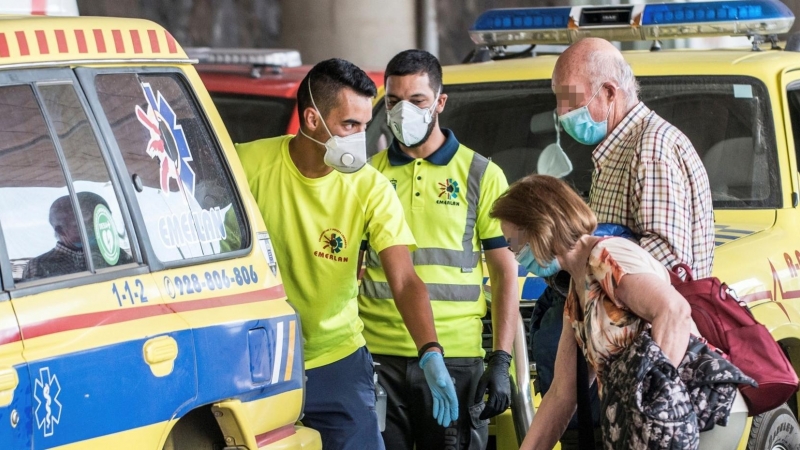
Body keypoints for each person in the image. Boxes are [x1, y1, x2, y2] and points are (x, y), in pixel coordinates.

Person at [235, 58, 458, 450]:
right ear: (311, 119)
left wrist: (430, 351)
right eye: (349, 125)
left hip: (337, 359)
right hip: (256, 362)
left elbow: (404, 280)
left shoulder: (370, 188)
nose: (359, 138)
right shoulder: (248, 165)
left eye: (365, 126)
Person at [531, 37, 717, 448]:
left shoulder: (650, 148)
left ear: (610, 92)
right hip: (619, 372)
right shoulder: (614, 151)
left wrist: (586, 265)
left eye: (569, 100)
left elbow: (666, 265)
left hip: (653, 364)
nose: (562, 115)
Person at [491, 175, 752, 450]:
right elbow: (561, 394)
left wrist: (649, 405)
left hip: (698, 411)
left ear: (541, 226)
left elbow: (674, 311)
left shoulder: (608, 256)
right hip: (662, 422)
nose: (515, 254)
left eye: (515, 243)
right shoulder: (576, 292)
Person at [360, 49, 520, 450]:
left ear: (440, 102)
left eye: (416, 100)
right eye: (393, 101)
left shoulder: (481, 174)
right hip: (378, 355)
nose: (402, 111)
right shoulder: (367, 175)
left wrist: (501, 359)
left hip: (456, 357)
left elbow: (504, 273)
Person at [25, 192, 132, 280]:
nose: (93, 230)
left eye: (95, 223)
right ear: (61, 231)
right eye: (81, 226)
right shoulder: (39, 265)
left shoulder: (117, 256)